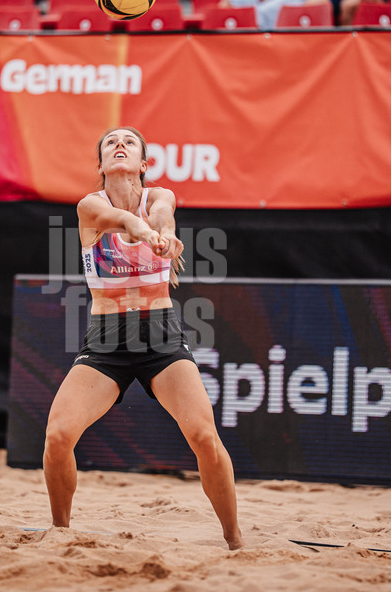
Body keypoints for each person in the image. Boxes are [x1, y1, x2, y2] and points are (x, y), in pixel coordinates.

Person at [42, 126, 243, 550]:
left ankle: (235, 538)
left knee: (204, 436)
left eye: (129, 142)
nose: (119, 145)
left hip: (161, 337)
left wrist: (164, 234)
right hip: (106, 342)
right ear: (100, 165)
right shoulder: (89, 206)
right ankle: (60, 533)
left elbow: (161, 216)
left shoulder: (161, 197)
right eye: (110, 143)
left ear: (143, 164)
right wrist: (146, 232)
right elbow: (123, 222)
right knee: (58, 436)